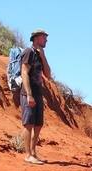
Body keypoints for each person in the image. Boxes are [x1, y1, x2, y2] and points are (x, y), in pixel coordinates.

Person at [19, 29, 53, 164]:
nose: (46, 40)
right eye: (44, 38)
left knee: (38, 124)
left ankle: (33, 152)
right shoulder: (28, 52)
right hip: (29, 93)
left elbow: (48, 75)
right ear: (37, 38)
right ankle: (28, 155)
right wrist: (29, 95)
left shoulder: (39, 55)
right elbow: (24, 73)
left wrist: (43, 56)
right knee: (29, 124)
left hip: (38, 93)